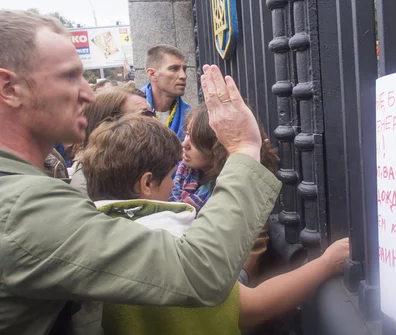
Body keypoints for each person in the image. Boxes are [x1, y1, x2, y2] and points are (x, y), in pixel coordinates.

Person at [0, 10, 281, 335]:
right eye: (68, 76)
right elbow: (198, 272)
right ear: (9, 88)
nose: (88, 95)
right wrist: (244, 149)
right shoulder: (22, 207)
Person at [79, 114, 349, 335]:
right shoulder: (164, 241)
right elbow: (250, 307)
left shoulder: (91, 232)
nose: (175, 182)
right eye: (171, 175)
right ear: (147, 184)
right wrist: (326, 264)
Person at [172, 104, 277, 283]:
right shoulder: (181, 177)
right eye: (187, 133)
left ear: (218, 146)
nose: (184, 144)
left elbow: (244, 267)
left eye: (196, 139)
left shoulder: (244, 195)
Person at [69, 89, 154, 194]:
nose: (155, 123)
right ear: (108, 126)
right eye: (145, 115)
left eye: (153, 114)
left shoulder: (134, 168)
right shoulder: (88, 187)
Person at [141, 44, 190, 140]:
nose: (183, 75)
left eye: (184, 69)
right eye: (174, 69)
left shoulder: (189, 116)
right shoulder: (129, 113)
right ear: (152, 74)